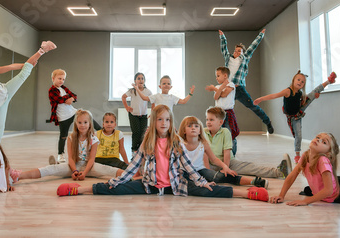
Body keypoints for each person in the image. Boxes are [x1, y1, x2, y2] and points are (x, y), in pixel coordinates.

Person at [56, 105, 269, 202]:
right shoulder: (148, 142)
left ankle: (247, 193)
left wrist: (201, 182)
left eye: (167, 120)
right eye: (160, 120)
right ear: (154, 122)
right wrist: (117, 181)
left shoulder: (176, 141)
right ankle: (81, 190)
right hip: (149, 185)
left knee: (209, 190)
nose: (164, 123)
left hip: (177, 185)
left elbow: (187, 165)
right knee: (116, 188)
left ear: (171, 122)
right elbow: (133, 165)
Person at [10, 109, 123, 182]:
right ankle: (18, 175)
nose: (82, 125)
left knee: (109, 170)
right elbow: (71, 158)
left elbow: (92, 159)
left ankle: (135, 174)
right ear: (76, 124)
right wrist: (74, 171)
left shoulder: (94, 139)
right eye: (80, 122)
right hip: (73, 166)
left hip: (89, 167)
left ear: (90, 124)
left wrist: (84, 173)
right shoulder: (71, 138)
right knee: (50, 169)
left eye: (85, 122)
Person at [254, 71, 337, 163]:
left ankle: (329, 81)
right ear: (293, 80)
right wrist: (261, 99)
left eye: (302, 82)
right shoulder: (288, 91)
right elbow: (274, 96)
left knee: (313, 93)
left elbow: (302, 101)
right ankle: (297, 155)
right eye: (298, 80)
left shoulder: (300, 93)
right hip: (292, 117)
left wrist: (315, 97)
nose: (300, 82)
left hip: (298, 112)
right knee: (298, 135)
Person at [178, 116, 268, 189]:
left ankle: (254, 181)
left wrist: (225, 166)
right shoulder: (180, 144)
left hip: (200, 170)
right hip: (185, 172)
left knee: (220, 176)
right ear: (184, 130)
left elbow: (214, 159)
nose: (193, 128)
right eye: (189, 126)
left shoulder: (203, 144)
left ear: (200, 131)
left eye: (196, 126)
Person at [204, 106, 291, 179]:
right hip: (211, 164)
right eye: (207, 119)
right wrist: (207, 172)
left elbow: (227, 152)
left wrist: (225, 167)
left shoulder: (225, 132)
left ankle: (279, 172)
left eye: (211, 120)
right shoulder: (203, 132)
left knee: (251, 168)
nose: (208, 122)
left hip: (229, 163)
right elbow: (204, 154)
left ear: (220, 122)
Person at [218, 29, 274, 134]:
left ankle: (267, 122)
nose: (236, 52)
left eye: (239, 51)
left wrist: (261, 35)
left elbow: (253, 46)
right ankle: (223, 132)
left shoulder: (245, 58)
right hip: (229, 89)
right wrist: (222, 37)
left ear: (242, 53)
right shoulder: (228, 58)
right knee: (223, 109)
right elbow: (223, 48)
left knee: (252, 106)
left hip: (239, 89)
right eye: (235, 50)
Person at [48, 69, 102, 164]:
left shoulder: (64, 88)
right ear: (53, 78)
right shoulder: (51, 90)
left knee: (88, 117)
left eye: (63, 79)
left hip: (72, 112)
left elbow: (74, 96)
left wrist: (72, 98)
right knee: (63, 136)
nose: (61, 81)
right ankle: (60, 154)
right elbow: (58, 99)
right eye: (59, 78)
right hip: (63, 117)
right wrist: (68, 98)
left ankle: (102, 132)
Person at [205, 66, 239, 154]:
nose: (216, 78)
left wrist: (217, 89)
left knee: (229, 133)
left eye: (218, 75)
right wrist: (219, 88)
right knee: (219, 132)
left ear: (225, 75)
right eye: (216, 76)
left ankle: (232, 154)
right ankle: (221, 152)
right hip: (218, 113)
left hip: (228, 113)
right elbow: (216, 97)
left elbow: (223, 94)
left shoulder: (230, 85)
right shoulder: (217, 86)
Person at [122, 72, 152, 153]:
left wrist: (152, 112)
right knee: (136, 132)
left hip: (143, 115)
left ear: (144, 81)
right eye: (138, 78)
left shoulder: (148, 91)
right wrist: (127, 107)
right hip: (133, 115)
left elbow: (153, 102)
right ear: (135, 81)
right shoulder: (132, 91)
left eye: (142, 78)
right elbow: (123, 97)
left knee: (143, 133)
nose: (141, 80)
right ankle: (134, 149)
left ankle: (141, 149)